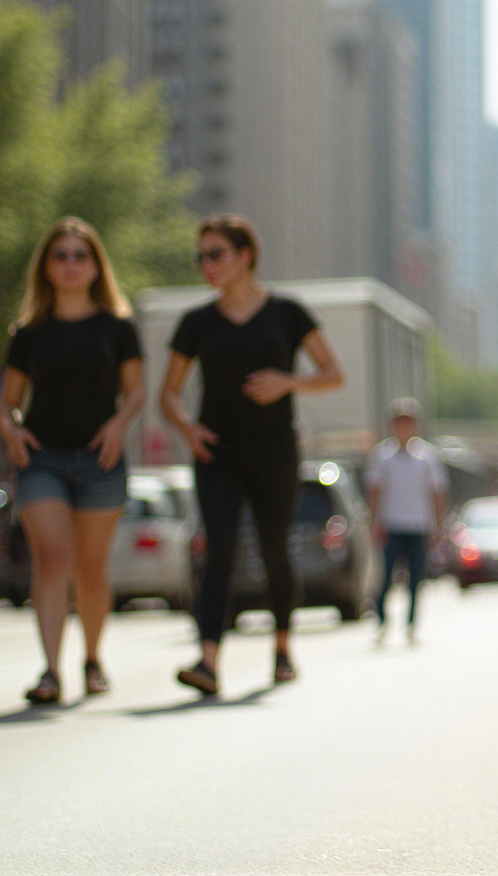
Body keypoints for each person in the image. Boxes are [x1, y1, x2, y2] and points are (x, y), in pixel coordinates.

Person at [161, 214, 345, 696]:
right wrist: (187, 428)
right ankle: (207, 661)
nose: (207, 265)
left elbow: (333, 373)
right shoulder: (196, 322)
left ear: (245, 256)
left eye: (216, 254)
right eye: (201, 257)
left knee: (273, 549)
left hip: (274, 451)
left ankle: (282, 648)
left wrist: (289, 382)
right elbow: (168, 394)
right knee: (218, 551)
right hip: (216, 454)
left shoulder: (288, 313)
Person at [0, 217, 146, 704]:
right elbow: (8, 403)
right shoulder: (28, 333)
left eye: (80, 256)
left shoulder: (118, 329)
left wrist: (118, 425)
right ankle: (50, 671)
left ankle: (93, 658)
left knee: (90, 567)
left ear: (96, 266)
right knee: (52, 559)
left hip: (100, 459)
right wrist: (10, 427)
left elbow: (135, 393)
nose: (70, 264)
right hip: (43, 458)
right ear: (46, 267)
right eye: (60, 256)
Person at [364, 398, 449, 643]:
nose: (404, 428)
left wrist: (438, 525)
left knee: (415, 578)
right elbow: (375, 491)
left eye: (408, 423)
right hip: (391, 523)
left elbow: (437, 492)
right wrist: (374, 521)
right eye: (399, 423)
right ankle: (382, 620)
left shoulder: (428, 456)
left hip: (419, 525)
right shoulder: (382, 455)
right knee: (386, 576)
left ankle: (411, 623)